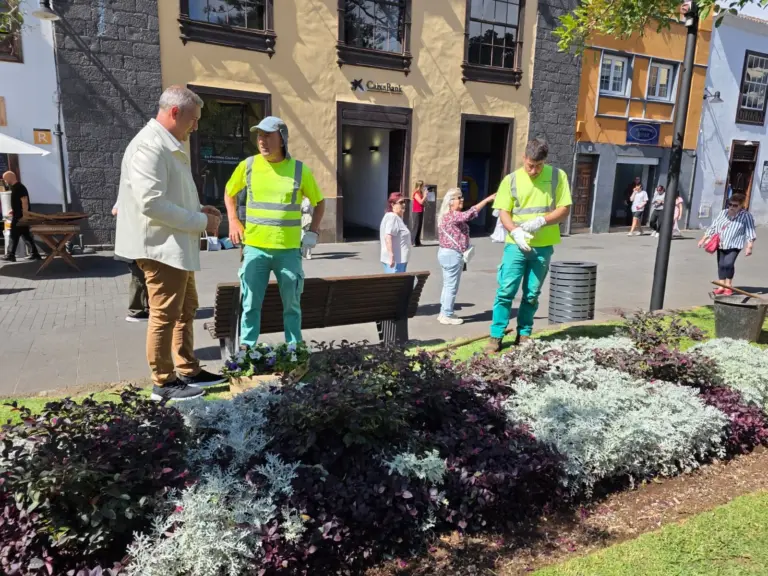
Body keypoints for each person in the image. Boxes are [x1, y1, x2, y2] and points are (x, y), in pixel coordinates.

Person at [115, 85, 226, 402]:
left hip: (174, 246)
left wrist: (197, 211)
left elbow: (165, 197)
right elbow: (151, 204)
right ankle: (164, 380)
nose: (196, 126)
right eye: (193, 119)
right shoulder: (150, 146)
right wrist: (203, 222)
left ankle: (188, 369)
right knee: (165, 314)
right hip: (161, 248)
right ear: (175, 112)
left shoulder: (164, 144)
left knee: (186, 309)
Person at [225, 116, 325, 348]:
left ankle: (294, 350)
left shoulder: (299, 170)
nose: (262, 141)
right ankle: (247, 351)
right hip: (255, 248)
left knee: (292, 305)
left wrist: (314, 231)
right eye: (259, 135)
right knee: (250, 304)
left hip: (288, 251)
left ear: (282, 139)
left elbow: (319, 202)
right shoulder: (248, 165)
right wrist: (232, 220)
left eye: (268, 135)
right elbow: (229, 192)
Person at [485, 138, 572, 353]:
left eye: (538, 165)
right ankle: (496, 335)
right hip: (516, 245)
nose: (533, 170)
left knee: (532, 294)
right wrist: (515, 231)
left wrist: (542, 221)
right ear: (524, 158)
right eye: (530, 165)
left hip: (542, 246)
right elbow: (503, 211)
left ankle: (524, 334)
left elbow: (564, 208)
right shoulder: (511, 180)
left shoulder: (557, 176)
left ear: (545, 161)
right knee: (506, 291)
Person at [437, 188, 496, 325]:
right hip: (452, 255)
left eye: (461, 197)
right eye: (458, 198)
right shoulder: (452, 215)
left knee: (448, 285)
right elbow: (470, 214)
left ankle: (444, 312)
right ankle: (447, 314)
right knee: (451, 286)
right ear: (451, 202)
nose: (462, 199)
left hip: (447, 254)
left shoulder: (447, 215)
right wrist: (487, 200)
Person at [697, 193, 756, 296]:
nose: (732, 207)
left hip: (734, 244)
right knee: (721, 265)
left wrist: (749, 246)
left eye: (735, 205)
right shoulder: (723, 213)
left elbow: (750, 231)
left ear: (741, 205)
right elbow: (713, 227)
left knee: (728, 264)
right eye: (730, 204)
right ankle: (721, 286)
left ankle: (728, 286)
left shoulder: (746, 216)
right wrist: (703, 239)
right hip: (721, 243)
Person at [112, 201, 149, 322]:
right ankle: (136, 311)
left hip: (136, 242)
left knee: (144, 277)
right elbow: (115, 211)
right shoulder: (129, 195)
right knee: (138, 277)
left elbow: (115, 210)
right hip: (135, 243)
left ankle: (147, 308)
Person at [1, 171, 41, 263]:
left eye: (5, 178)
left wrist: (24, 215)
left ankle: (10, 255)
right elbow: (19, 203)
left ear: (10, 177)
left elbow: (24, 202)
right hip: (19, 214)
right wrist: (14, 210)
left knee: (13, 235)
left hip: (20, 217)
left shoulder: (20, 188)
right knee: (26, 235)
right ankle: (35, 254)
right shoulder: (15, 188)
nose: (5, 181)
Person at [380, 193, 411, 273]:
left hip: (399, 260)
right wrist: (391, 256)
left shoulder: (394, 217)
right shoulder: (392, 217)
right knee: (396, 284)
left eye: (404, 202)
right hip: (396, 261)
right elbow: (388, 236)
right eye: (401, 203)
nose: (404, 205)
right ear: (392, 204)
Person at [410, 180, 425, 247]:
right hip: (416, 211)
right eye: (422, 185)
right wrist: (425, 196)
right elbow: (420, 202)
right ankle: (412, 241)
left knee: (419, 226)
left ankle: (417, 242)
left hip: (421, 210)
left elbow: (423, 202)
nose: (423, 186)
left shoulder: (420, 192)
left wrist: (424, 196)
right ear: (419, 186)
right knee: (416, 226)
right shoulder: (416, 193)